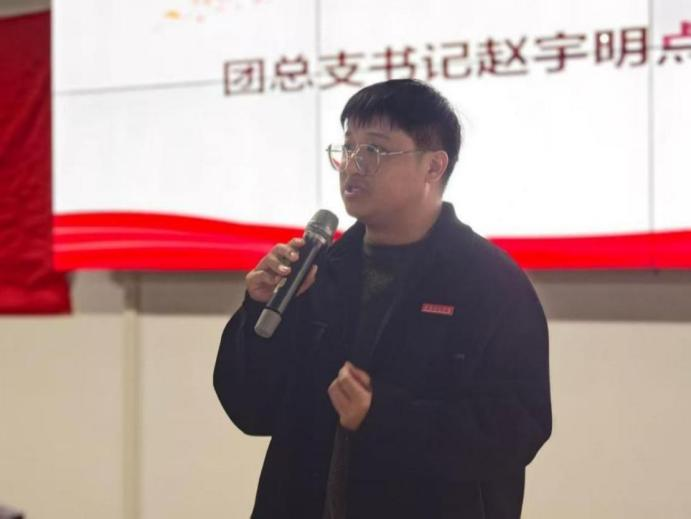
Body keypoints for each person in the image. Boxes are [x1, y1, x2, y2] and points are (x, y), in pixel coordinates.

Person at [214, 79, 552, 519]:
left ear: (433, 166)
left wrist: (385, 416)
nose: (352, 165)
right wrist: (259, 310)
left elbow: (517, 429)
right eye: (347, 147)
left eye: (373, 149)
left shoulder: (489, 281)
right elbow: (252, 409)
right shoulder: (319, 269)